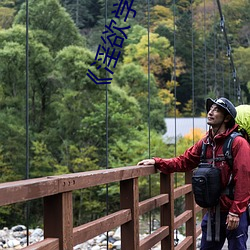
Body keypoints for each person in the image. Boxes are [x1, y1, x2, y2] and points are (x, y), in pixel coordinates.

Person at [137, 97, 250, 250]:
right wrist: (157, 162)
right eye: (210, 109)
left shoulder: (238, 143)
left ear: (227, 118)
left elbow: (244, 178)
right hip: (213, 211)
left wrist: (236, 212)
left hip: (233, 211)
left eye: (216, 110)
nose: (210, 112)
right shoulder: (205, 143)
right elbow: (184, 161)